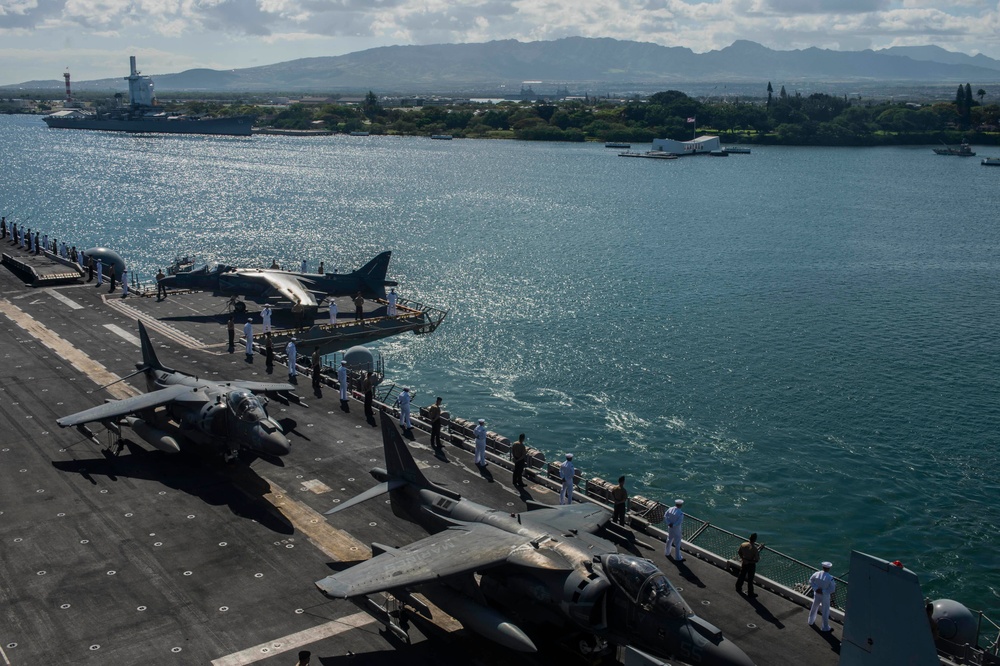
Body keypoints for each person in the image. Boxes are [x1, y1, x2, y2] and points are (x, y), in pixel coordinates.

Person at [808, 562, 836, 632]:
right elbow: (832, 589)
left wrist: (816, 588)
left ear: (823, 567)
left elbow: (810, 581)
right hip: (825, 596)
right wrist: (823, 591)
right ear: (829, 569)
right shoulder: (830, 578)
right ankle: (825, 627)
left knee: (814, 607)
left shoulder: (816, 574)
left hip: (816, 594)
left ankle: (810, 621)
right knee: (825, 611)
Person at [736, 533, 763, 597]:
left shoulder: (743, 544)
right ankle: (750, 593)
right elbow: (756, 560)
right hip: (751, 565)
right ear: (755, 540)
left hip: (744, 562)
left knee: (741, 575)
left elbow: (739, 552)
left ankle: (738, 587)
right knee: (750, 579)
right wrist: (749, 561)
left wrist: (743, 559)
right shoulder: (754, 549)